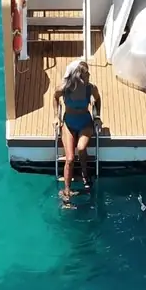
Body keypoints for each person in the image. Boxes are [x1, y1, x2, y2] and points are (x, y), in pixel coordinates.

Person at [53, 59, 100, 201]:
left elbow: (98, 99)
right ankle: (67, 190)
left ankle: (85, 173)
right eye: (86, 74)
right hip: (69, 123)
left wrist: (97, 116)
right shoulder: (65, 88)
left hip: (85, 122)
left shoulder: (90, 88)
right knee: (70, 158)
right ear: (79, 77)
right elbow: (55, 97)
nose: (89, 76)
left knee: (81, 148)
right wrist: (56, 116)